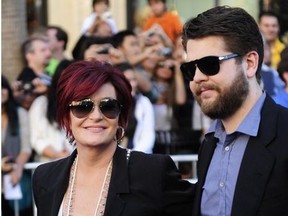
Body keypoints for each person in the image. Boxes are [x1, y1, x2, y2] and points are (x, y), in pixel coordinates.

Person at [32, 60, 193, 216]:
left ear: (120, 117)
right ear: (66, 116)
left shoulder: (152, 172)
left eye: (108, 106)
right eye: (82, 106)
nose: (96, 116)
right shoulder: (45, 177)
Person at [181, 6, 288, 216]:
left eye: (209, 64)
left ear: (250, 63)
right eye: (190, 69)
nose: (197, 78)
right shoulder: (210, 144)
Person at [29, 60, 74, 162]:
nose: (67, 84)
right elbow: (35, 138)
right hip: (48, 165)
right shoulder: (41, 103)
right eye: (63, 80)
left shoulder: (87, 106)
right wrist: (57, 155)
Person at [1, 75, 33, 215]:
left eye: (3, 87)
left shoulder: (20, 113)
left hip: (17, 182)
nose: (1, 91)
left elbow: (26, 148)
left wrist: (18, 168)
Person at [115, 62, 155, 153]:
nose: (132, 84)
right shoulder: (108, 104)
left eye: (134, 80)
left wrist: (132, 156)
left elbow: (148, 136)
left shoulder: (143, 102)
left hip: (138, 156)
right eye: (128, 80)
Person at [13, 36, 52, 110]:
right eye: (43, 50)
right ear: (29, 55)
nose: (49, 53)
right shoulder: (26, 78)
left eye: (49, 50)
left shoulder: (49, 74)